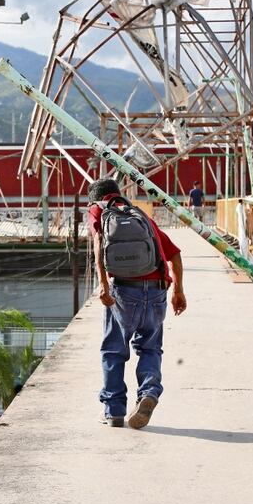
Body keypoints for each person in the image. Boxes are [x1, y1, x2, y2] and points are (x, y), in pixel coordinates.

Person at [88, 179, 186, 429]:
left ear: (96, 199)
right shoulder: (142, 216)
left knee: (113, 351)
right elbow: (174, 253)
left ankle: (114, 412)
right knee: (150, 348)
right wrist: (178, 291)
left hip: (124, 292)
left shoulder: (98, 211)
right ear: (119, 195)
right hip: (157, 292)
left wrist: (103, 285)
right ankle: (149, 393)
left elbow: (99, 245)